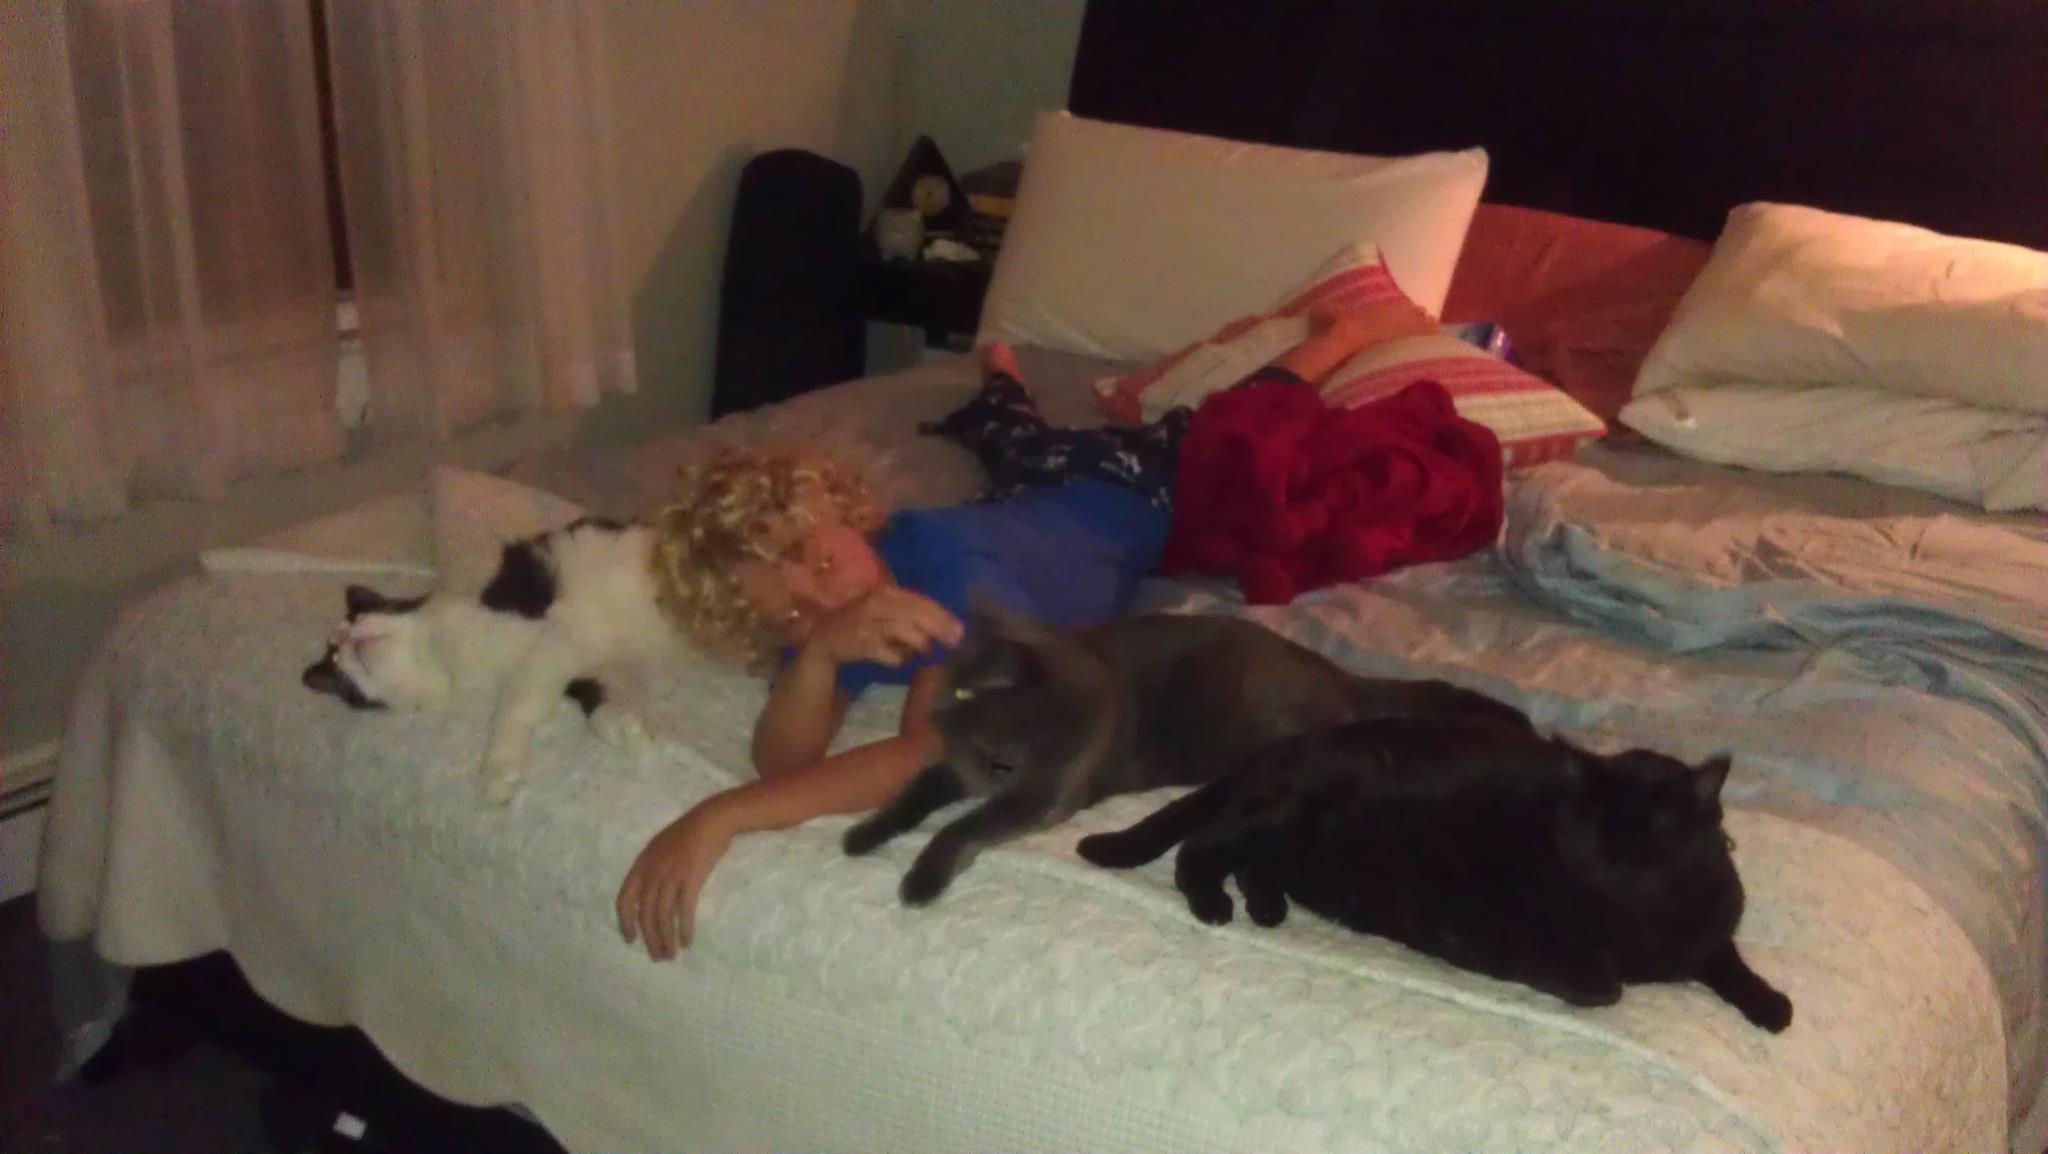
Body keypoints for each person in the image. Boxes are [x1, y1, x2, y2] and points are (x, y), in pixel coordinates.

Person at [617, 303, 1436, 959]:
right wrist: (819, 656)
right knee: (1012, 436)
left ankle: (1338, 338)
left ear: (841, 510)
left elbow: (933, 750)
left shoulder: (950, 569)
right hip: (1032, 496)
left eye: (813, 557)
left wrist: (723, 815)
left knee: (1235, 428)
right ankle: (1004, 372)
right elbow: (784, 758)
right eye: (791, 611)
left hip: (1136, 489)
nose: (819, 600)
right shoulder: (842, 614)